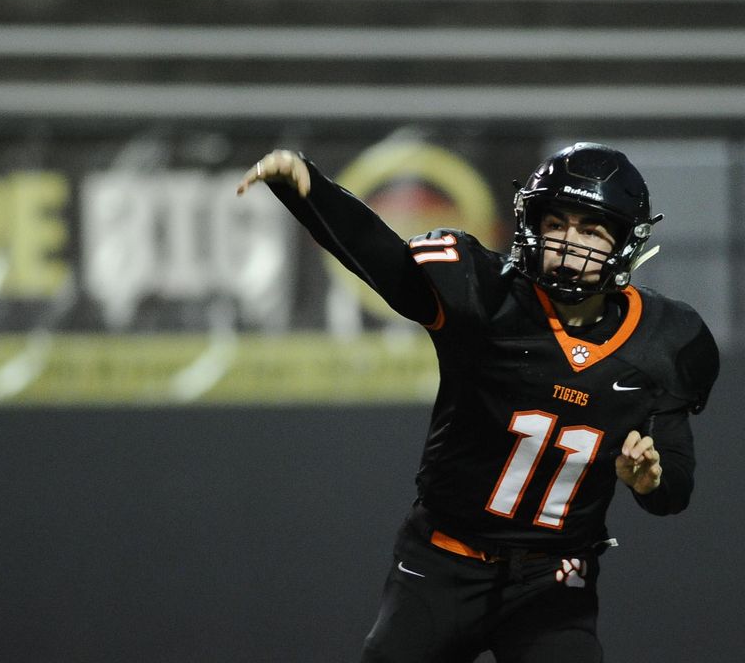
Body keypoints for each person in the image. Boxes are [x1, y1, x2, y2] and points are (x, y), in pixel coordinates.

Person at [236, 142, 719, 663]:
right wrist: (308, 190)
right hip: (443, 561)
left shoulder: (664, 342)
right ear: (530, 225)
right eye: (555, 223)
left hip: (553, 577)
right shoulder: (485, 294)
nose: (569, 244)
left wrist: (650, 478)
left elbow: (675, 487)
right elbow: (382, 258)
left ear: (627, 243)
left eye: (591, 229)